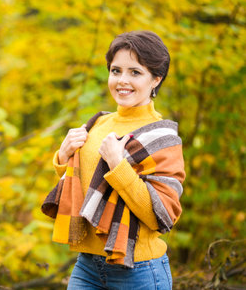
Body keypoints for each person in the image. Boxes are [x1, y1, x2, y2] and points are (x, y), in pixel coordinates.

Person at [44, 31, 186, 289]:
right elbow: (87, 188)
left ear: (156, 79)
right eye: (116, 70)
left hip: (139, 271)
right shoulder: (97, 124)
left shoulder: (162, 137)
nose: (122, 80)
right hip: (87, 266)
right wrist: (62, 158)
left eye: (135, 72)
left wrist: (118, 166)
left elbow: (162, 215)